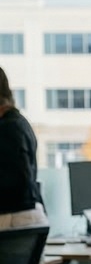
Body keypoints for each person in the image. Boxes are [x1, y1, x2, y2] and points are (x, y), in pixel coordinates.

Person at [0, 65, 46, 232]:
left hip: (12, 218)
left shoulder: (6, 129)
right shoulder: (20, 123)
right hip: (28, 216)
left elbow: (16, 180)